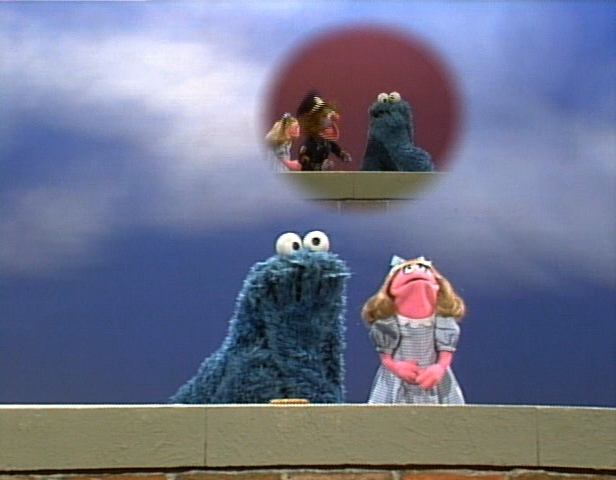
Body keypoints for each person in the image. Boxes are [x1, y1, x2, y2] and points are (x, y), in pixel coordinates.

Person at [362, 256, 466, 404]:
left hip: (434, 380)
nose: (417, 273)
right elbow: (385, 356)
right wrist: (396, 367)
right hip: (396, 381)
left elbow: (446, 353)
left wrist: (439, 368)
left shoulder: (443, 323)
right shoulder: (388, 324)